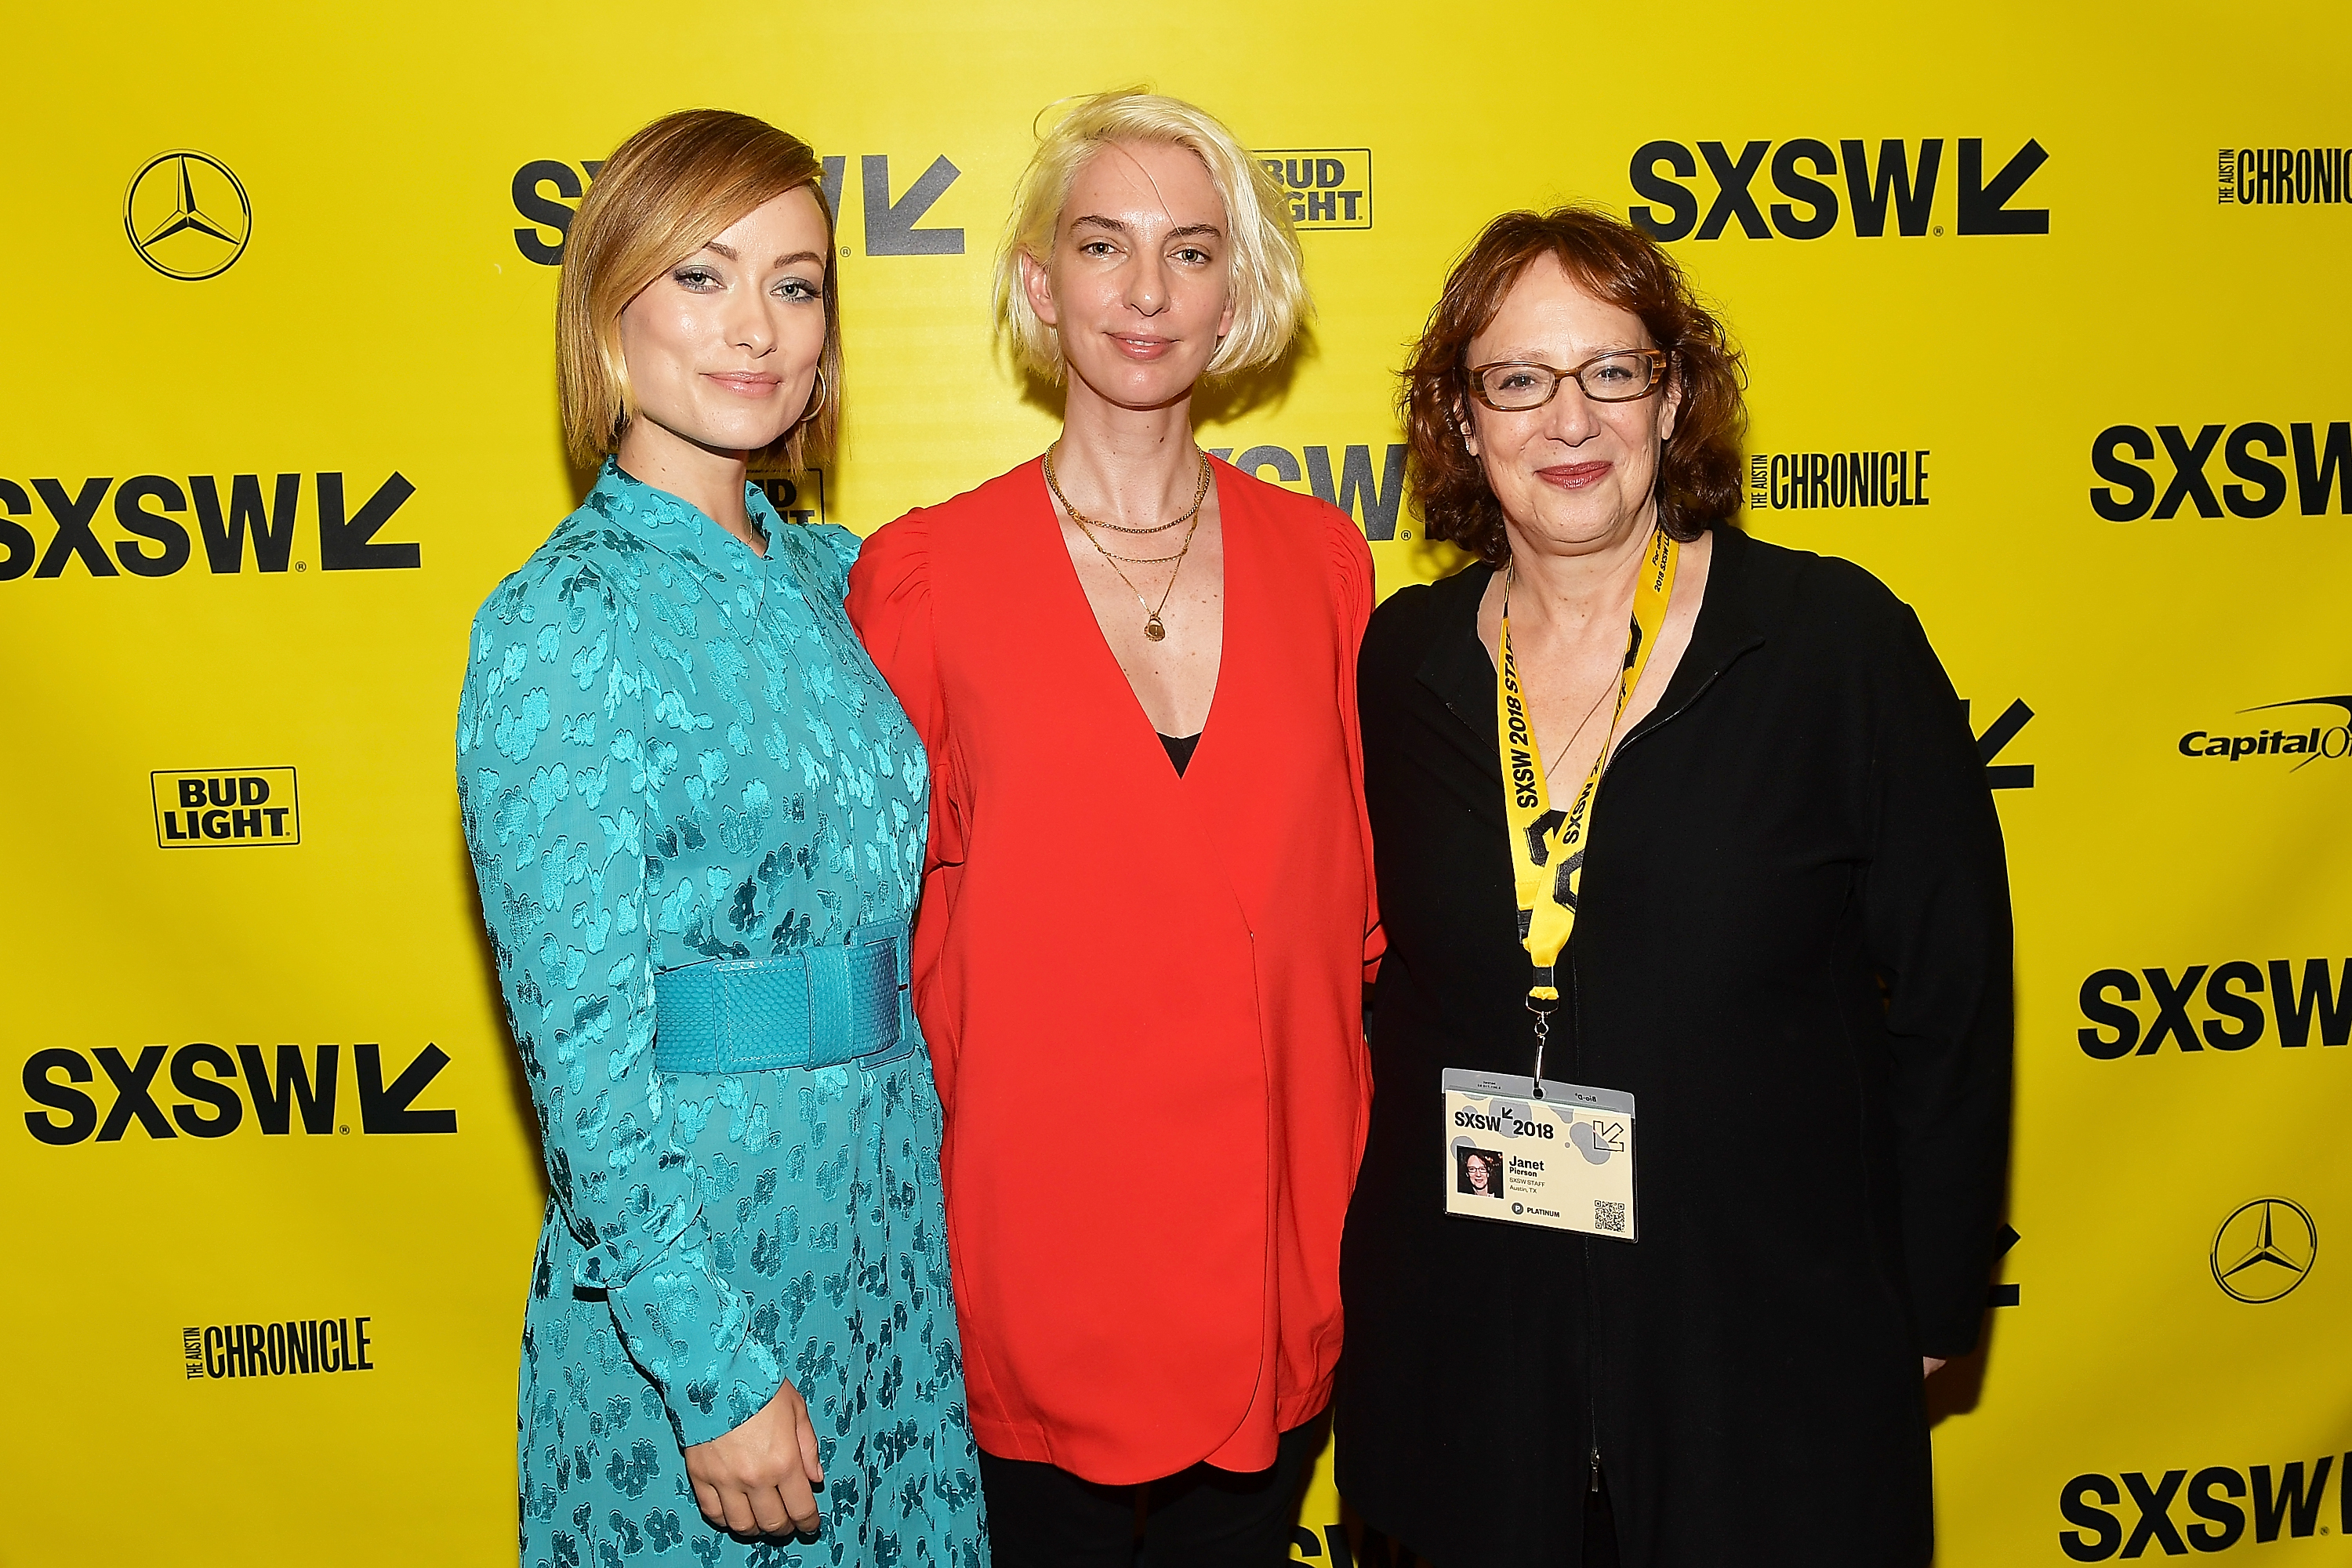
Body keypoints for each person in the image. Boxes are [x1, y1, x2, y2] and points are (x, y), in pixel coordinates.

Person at [1334, 207, 2013, 1568]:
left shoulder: (1830, 645)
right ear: (1461, 419)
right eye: (1517, 379)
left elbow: (1955, 991)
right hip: (1476, 1353)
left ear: (1672, 392)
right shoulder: (1400, 664)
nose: (1568, 419)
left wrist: (1935, 1295)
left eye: (1612, 370)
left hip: (1763, 1352)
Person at [846, 90, 1379, 1568]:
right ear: (1040, 283)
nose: (1147, 291)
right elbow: (885, 942)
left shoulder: (1326, 567)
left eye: (1192, 251)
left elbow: (1359, 940)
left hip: (1272, 1266)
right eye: (1103, 244)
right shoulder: (921, 579)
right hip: (1037, 1267)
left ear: (1237, 293)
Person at [457, 109, 986, 1568]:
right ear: (608, 311)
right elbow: (583, 1061)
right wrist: (709, 1369)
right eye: (702, 276)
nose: (757, 326)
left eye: (795, 284)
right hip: (703, 1282)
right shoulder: (561, 622)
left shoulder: (845, 581)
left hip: (890, 1245)